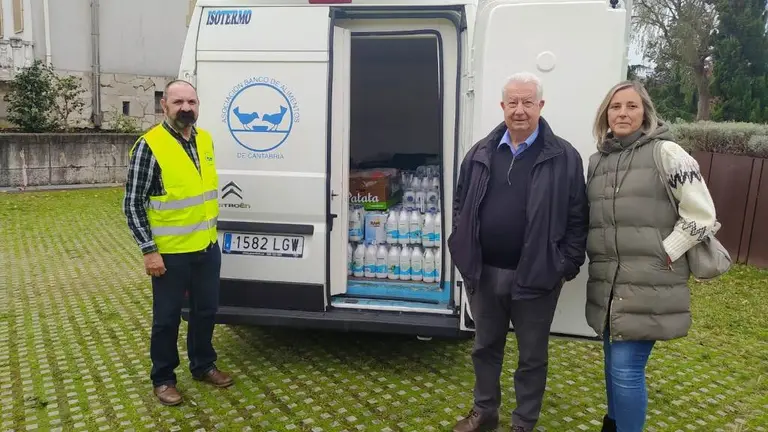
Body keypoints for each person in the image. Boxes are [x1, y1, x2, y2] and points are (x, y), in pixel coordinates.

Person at [448, 72, 589, 432]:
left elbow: (578, 216)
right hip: (484, 272)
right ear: (502, 106)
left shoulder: (564, 157)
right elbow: (461, 203)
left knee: (531, 357)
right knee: (485, 348)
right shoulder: (481, 151)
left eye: (528, 102)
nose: (520, 110)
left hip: (537, 276)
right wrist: (462, 244)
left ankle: (523, 423)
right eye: (513, 102)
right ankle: (485, 414)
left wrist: (564, 264)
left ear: (541, 106)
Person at [584, 80, 718, 432]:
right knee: (612, 363)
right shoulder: (598, 162)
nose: (623, 113)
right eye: (616, 107)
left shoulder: (668, 153)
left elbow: (701, 214)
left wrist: (668, 252)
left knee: (626, 370)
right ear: (606, 114)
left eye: (631, 106)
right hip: (610, 285)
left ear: (645, 113)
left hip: (651, 280)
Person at [123, 79, 233, 406]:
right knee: (167, 317)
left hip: (205, 248)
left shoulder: (205, 140)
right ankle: (163, 378)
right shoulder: (150, 145)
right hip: (169, 255)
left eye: (192, 102)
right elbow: (132, 203)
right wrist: (149, 250)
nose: (186, 108)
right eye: (178, 102)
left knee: (205, 311)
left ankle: (203, 365)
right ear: (164, 106)